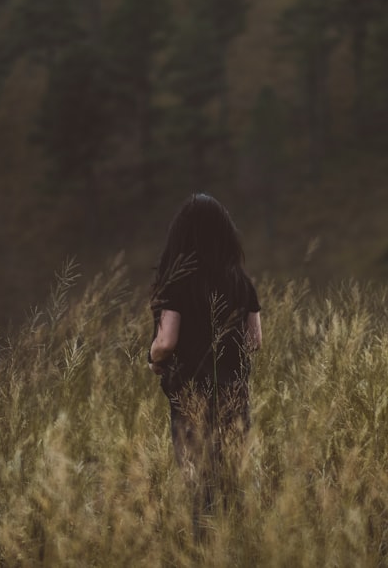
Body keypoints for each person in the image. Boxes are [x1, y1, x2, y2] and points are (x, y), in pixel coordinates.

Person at [148, 193, 262, 534]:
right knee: (232, 479)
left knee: (199, 485)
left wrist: (153, 358)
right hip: (234, 392)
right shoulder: (241, 281)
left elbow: (166, 341)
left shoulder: (176, 282)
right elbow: (255, 342)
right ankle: (237, 546)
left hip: (191, 395)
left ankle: (204, 550)